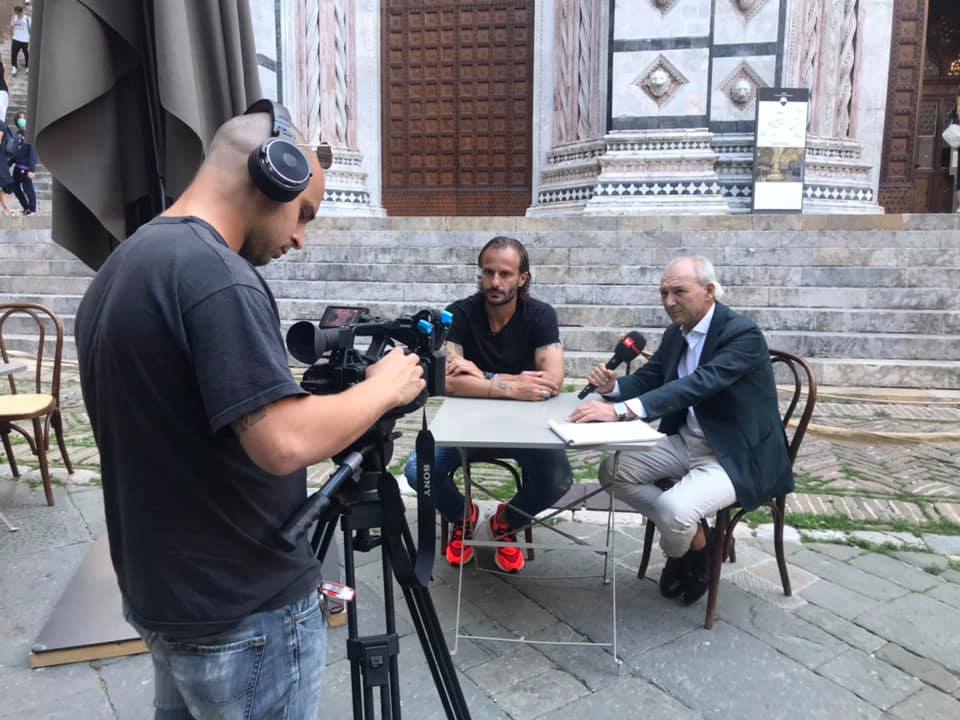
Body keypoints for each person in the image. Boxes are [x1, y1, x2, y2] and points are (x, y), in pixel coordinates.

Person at [74, 102, 425, 719]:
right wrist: (385, 388)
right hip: (243, 611)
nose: (300, 237)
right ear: (272, 176)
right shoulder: (218, 276)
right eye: (304, 212)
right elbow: (282, 442)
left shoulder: (124, 265)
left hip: (168, 599)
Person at [569, 256, 792, 606]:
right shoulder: (676, 333)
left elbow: (699, 384)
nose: (669, 301)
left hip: (736, 455)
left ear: (709, 291)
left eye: (678, 292)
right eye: (663, 293)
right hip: (687, 441)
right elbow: (651, 377)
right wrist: (613, 388)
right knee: (612, 471)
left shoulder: (743, 334)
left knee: (673, 510)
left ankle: (679, 552)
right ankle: (700, 542)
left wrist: (621, 411)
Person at [404, 236, 573, 573]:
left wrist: (481, 376)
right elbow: (446, 381)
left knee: (558, 479)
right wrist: (508, 386)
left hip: (525, 430)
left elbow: (552, 381)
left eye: (505, 274)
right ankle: (464, 516)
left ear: (522, 278)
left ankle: (505, 522)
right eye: (488, 272)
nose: (495, 282)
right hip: (466, 427)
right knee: (416, 469)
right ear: (480, 274)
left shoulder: (540, 315)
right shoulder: (458, 313)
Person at [10, 112, 36, 215]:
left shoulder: (30, 134)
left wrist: (31, 169)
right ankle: (26, 207)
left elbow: (33, 152)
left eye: (23, 118)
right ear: (16, 122)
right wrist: (7, 164)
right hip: (17, 167)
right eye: (19, 118)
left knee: (27, 188)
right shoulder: (18, 134)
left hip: (26, 167)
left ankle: (32, 210)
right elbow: (15, 152)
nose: (21, 120)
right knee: (14, 187)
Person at [9, 6, 29, 76]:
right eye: (16, 13)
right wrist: (11, 35)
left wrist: (30, 39)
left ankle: (27, 66)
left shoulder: (27, 19)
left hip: (25, 40)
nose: (17, 14)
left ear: (21, 12)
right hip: (16, 39)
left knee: (26, 54)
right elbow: (12, 26)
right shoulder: (14, 18)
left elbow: (30, 28)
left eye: (18, 13)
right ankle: (14, 67)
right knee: (14, 54)